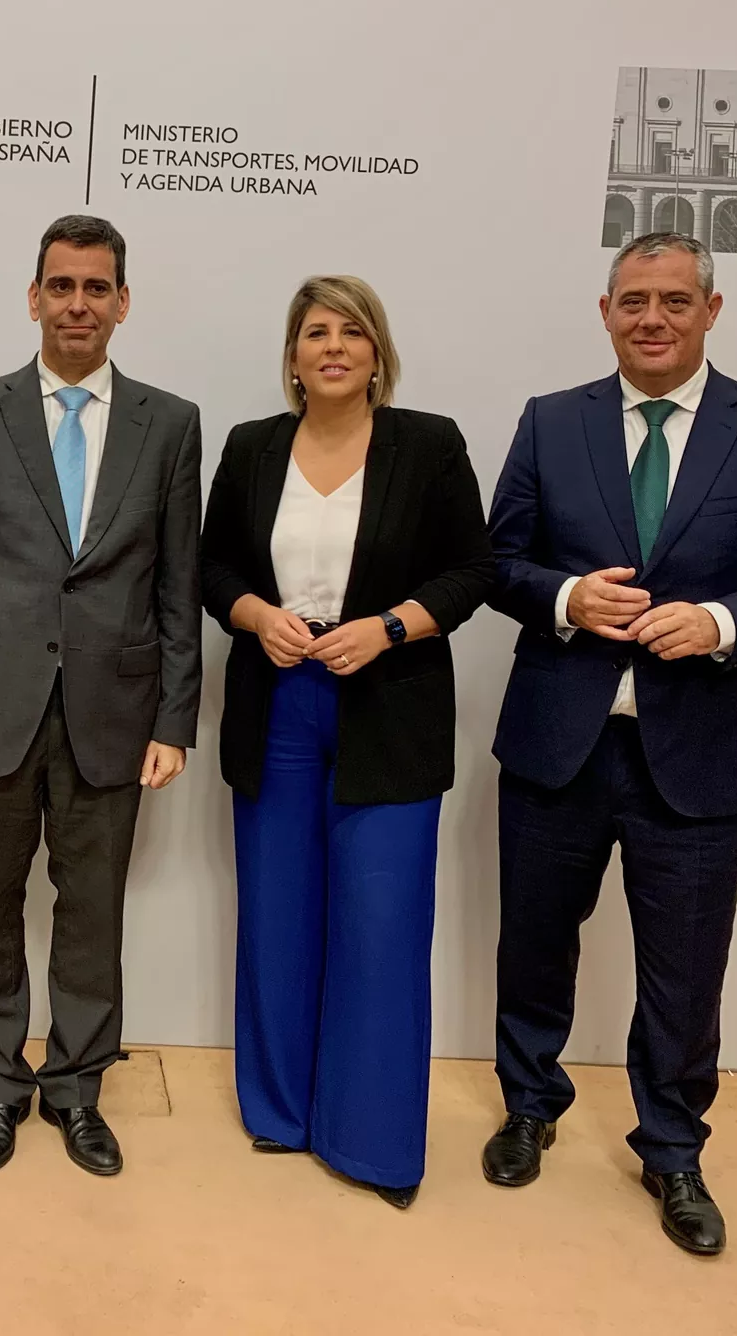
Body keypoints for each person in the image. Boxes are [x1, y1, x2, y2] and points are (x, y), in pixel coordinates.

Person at [482, 231, 737, 1255]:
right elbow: (496, 562)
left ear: (709, 311)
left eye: (674, 301)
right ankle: (528, 1106)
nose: (652, 319)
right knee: (534, 942)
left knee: (685, 970)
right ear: (605, 313)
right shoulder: (551, 421)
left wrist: (720, 624)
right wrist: (565, 598)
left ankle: (673, 1149)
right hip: (560, 740)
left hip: (699, 751)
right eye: (633, 301)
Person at [0, 214, 202, 1178]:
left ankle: (76, 1089)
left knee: (92, 913)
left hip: (113, 713)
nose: (79, 304)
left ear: (123, 302)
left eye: (96, 287)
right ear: (34, 298)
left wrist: (175, 718)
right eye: (61, 286)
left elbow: (179, 586)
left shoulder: (170, 423)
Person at [199, 275, 493, 1209]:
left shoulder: (429, 443)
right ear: (292, 357)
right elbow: (211, 566)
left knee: (381, 927)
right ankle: (281, 1112)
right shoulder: (252, 446)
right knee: (277, 916)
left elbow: (473, 569)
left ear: (377, 353)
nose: (333, 346)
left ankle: (369, 1142)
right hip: (278, 704)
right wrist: (256, 616)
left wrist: (392, 627)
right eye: (316, 332)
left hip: (389, 707)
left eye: (352, 332)